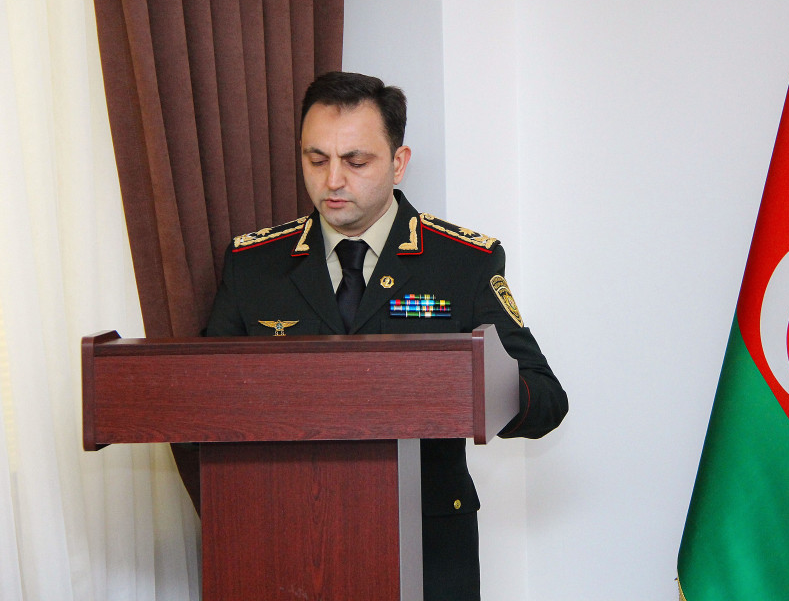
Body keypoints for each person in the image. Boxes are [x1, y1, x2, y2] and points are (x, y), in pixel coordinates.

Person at [203, 71, 568, 600]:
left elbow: (546, 398)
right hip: (285, 541)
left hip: (425, 545)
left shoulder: (461, 262)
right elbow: (203, 397)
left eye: (355, 162)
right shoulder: (255, 264)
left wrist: (467, 386)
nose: (332, 181)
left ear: (398, 163)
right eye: (316, 160)